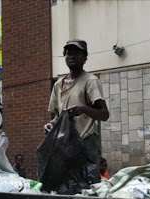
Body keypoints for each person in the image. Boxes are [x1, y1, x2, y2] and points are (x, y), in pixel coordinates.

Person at [44, 39, 109, 174]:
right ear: (65, 57)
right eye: (68, 53)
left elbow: (104, 114)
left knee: (87, 185)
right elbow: (58, 115)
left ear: (85, 58)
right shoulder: (58, 85)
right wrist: (51, 124)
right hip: (65, 142)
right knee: (66, 184)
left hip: (85, 142)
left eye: (77, 53)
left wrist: (83, 109)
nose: (72, 56)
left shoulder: (90, 81)